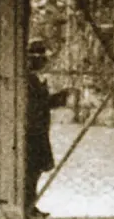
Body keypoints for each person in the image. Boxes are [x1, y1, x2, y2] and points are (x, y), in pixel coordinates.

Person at [26, 39, 65, 218]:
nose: (44, 62)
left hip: (39, 128)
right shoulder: (28, 79)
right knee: (31, 170)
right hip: (32, 130)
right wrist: (57, 99)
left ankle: (30, 205)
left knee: (35, 170)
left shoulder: (35, 78)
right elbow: (37, 105)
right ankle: (27, 206)